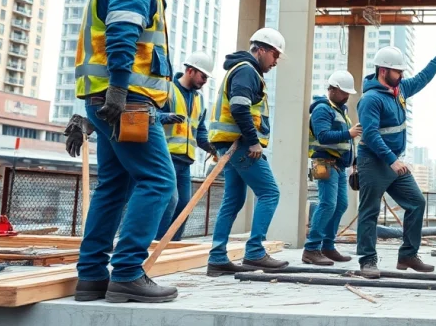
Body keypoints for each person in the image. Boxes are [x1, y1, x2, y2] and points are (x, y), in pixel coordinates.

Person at [72, 0, 198, 304]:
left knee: (114, 184)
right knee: (161, 183)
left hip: (110, 98)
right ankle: (126, 272)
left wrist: (109, 97)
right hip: (124, 100)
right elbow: (122, 30)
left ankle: (91, 277)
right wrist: (120, 91)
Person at [355, 37, 436, 278]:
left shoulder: (398, 91)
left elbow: (421, 79)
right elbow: (370, 134)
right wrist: (392, 159)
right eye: (397, 71)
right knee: (370, 211)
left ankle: (408, 255)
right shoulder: (371, 99)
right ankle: (367, 261)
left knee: (416, 202)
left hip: (393, 162)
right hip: (374, 162)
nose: (401, 75)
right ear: (383, 71)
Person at [205, 28, 290, 276]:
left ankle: (218, 258)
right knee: (270, 193)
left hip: (230, 144)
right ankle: (254, 253)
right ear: (261, 50)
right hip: (241, 145)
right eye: (274, 55)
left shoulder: (242, 69)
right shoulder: (246, 70)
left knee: (233, 199)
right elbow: (239, 107)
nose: (275, 62)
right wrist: (253, 142)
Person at [155, 51, 218, 241]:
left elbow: (200, 131)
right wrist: (164, 117)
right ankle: (155, 244)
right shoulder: (168, 91)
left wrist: (210, 147)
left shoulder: (199, 100)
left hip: (185, 162)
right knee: (169, 201)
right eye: (203, 76)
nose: (205, 80)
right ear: (190, 70)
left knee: (184, 204)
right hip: (167, 157)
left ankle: (172, 245)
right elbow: (149, 116)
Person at [302, 71, 362, 265]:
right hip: (323, 163)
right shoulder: (322, 109)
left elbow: (347, 143)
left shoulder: (340, 111)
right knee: (327, 204)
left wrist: (354, 162)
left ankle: (327, 246)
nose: (346, 96)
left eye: (347, 93)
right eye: (343, 92)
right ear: (333, 89)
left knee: (341, 204)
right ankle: (311, 248)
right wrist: (349, 133)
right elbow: (323, 136)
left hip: (338, 165)